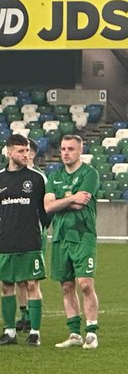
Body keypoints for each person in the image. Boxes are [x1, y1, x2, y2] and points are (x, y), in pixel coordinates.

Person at [43, 134, 100, 349]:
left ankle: (92, 333)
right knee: (66, 286)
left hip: (83, 235)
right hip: (60, 236)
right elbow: (48, 206)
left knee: (85, 284)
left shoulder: (90, 174)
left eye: (71, 149)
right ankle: (75, 333)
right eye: (63, 149)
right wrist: (71, 198)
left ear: (80, 151)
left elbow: (81, 203)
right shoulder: (55, 175)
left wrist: (61, 201)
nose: (66, 152)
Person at [0, 135, 49, 347]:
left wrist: (41, 229)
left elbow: (47, 210)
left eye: (27, 151)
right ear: (9, 152)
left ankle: (35, 332)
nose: (25, 155)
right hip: (5, 241)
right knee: (6, 285)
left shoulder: (37, 179)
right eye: (20, 151)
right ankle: (10, 332)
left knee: (31, 284)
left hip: (30, 240)